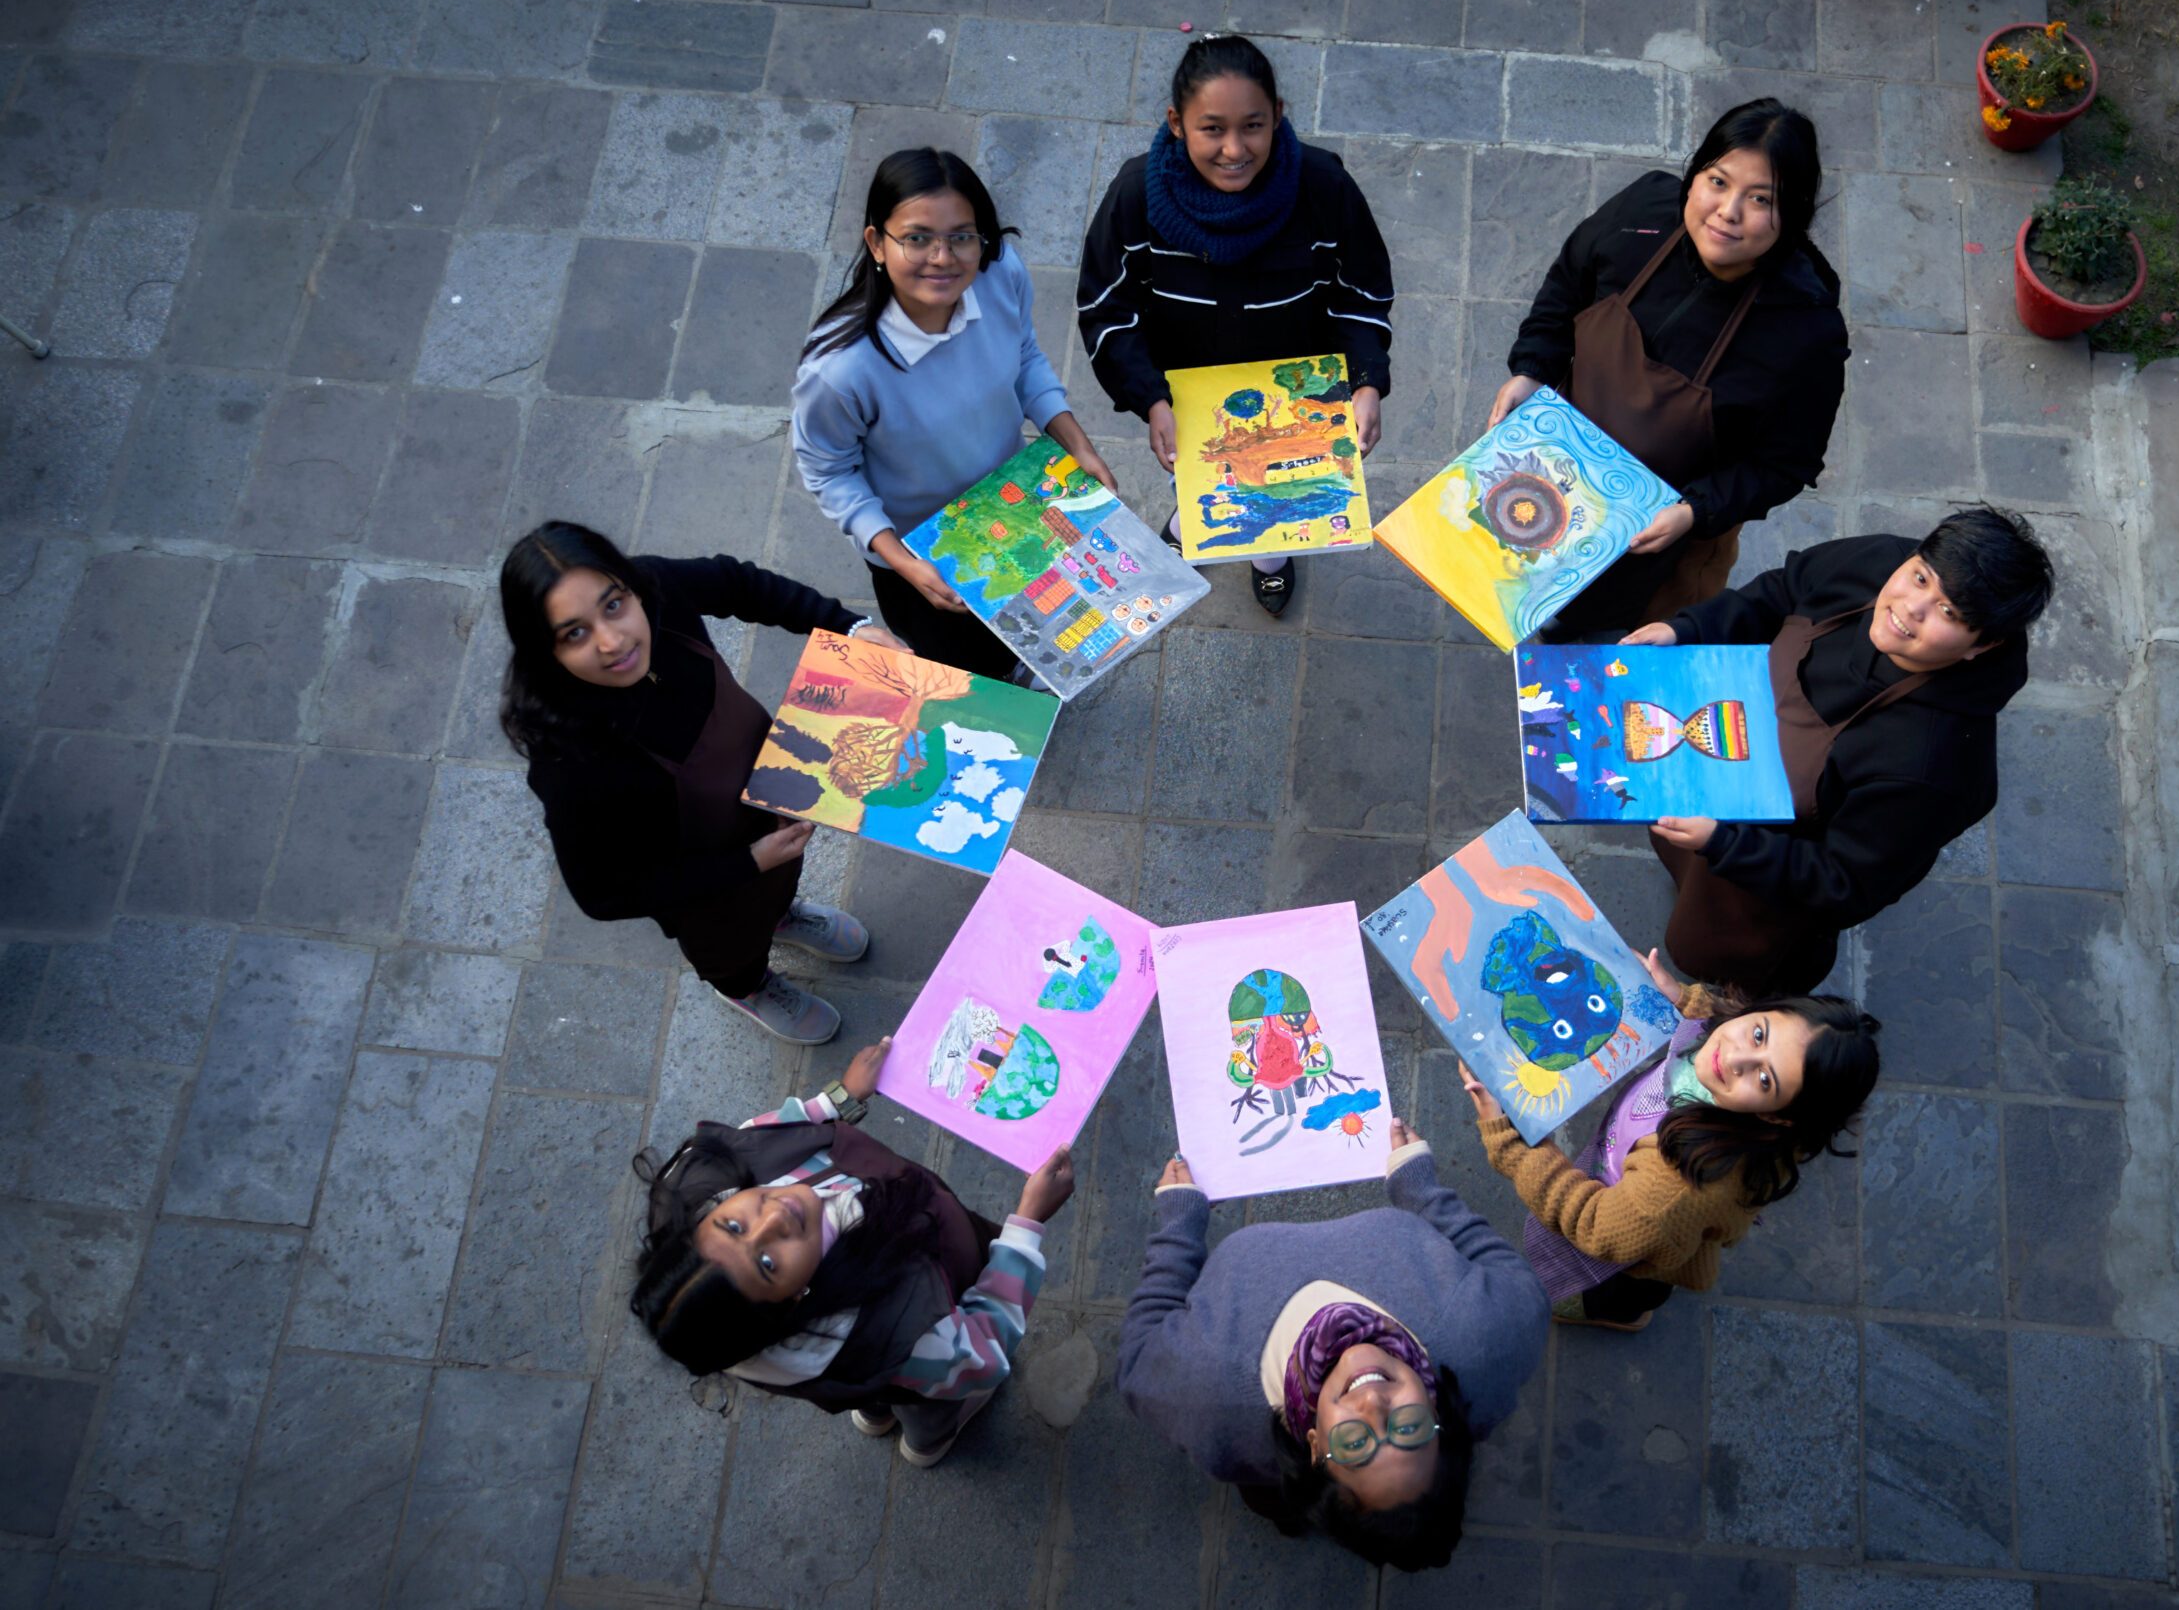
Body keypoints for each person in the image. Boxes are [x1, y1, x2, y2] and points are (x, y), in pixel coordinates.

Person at [500, 520, 902, 1044]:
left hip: (766, 801)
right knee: (730, 946)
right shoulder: (567, 762)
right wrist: (748, 863)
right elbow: (601, 894)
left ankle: (782, 915)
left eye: (613, 605)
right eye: (575, 633)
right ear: (544, 651)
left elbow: (739, 584)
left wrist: (847, 628)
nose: (613, 640)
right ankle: (748, 987)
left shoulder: (655, 587)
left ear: (629, 587)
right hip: (705, 886)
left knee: (779, 884)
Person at [1628, 506, 2055, 993]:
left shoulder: (1931, 770)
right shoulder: (1879, 561)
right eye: (1921, 578)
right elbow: (1783, 590)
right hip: (1710, 768)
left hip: (1765, 876)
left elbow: (1844, 883)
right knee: (1677, 859)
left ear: (1982, 646)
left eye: (1948, 612)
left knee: (1715, 953)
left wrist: (1723, 843)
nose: (1910, 608)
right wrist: (1688, 630)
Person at [1489, 97, 1849, 638]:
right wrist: (1532, 370)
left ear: (1792, 213)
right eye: (1718, 182)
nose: (1728, 211)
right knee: (1529, 590)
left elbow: (1785, 464)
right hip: (1560, 468)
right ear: (1695, 174)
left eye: (1760, 199)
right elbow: (1567, 285)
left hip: (1667, 536)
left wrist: (1694, 512)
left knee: (1621, 646)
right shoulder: (1641, 215)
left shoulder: (1806, 331)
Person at [1116, 1122, 1546, 1572]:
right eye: (1408, 1429)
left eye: (1354, 1442)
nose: (1373, 1404)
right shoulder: (1491, 1337)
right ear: (1439, 1416)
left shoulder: (1208, 1398)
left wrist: (1179, 1230)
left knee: (1273, 1494)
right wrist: (1422, 1192)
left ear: (1314, 1445)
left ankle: (1287, 1514)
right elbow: (1516, 1280)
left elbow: (1138, 1353)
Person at [629, 1038, 1077, 1467]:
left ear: (696, 1223)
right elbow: (981, 1350)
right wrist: (1026, 1224)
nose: (774, 1217)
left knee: (878, 1383)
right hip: (931, 1307)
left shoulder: (699, 1185)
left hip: (869, 1361)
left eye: (732, 1225)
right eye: (767, 1264)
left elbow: (764, 1135)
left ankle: (874, 1408)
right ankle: (928, 1442)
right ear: (792, 1304)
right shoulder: (908, 1334)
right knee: (929, 1399)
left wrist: (838, 1098)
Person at [1076, 33, 1393, 617]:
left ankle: (1270, 555)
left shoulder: (1324, 187)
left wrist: (1366, 381)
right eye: (1212, 129)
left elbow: (1361, 292)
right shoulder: (1135, 196)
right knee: (1203, 476)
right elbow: (1106, 308)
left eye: (1252, 126)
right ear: (1177, 123)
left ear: (1278, 116)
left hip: (1298, 394)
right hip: (1188, 398)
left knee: (1282, 485)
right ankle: (1189, 523)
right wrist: (1150, 399)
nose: (1234, 149)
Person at [793, 147, 1117, 680]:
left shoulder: (1000, 273)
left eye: (962, 236)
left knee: (1034, 625)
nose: (943, 258)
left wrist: (1077, 446)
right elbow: (828, 473)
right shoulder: (839, 370)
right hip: (924, 549)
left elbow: (1025, 357)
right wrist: (905, 563)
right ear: (876, 242)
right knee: (966, 664)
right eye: (918, 238)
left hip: (1015, 502)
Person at [1464, 954, 1880, 1331]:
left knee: (1612, 1293)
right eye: (1758, 1034)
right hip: (1653, 1212)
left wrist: (1510, 1140)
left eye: (1765, 1079)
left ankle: (1615, 1314)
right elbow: (1721, 1017)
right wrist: (1683, 999)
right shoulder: (1734, 1070)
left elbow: (1595, 1224)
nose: (1733, 1058)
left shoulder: (1677, 1186)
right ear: (1763, 1009)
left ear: (1777, 1117)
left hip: (1625, 1249)